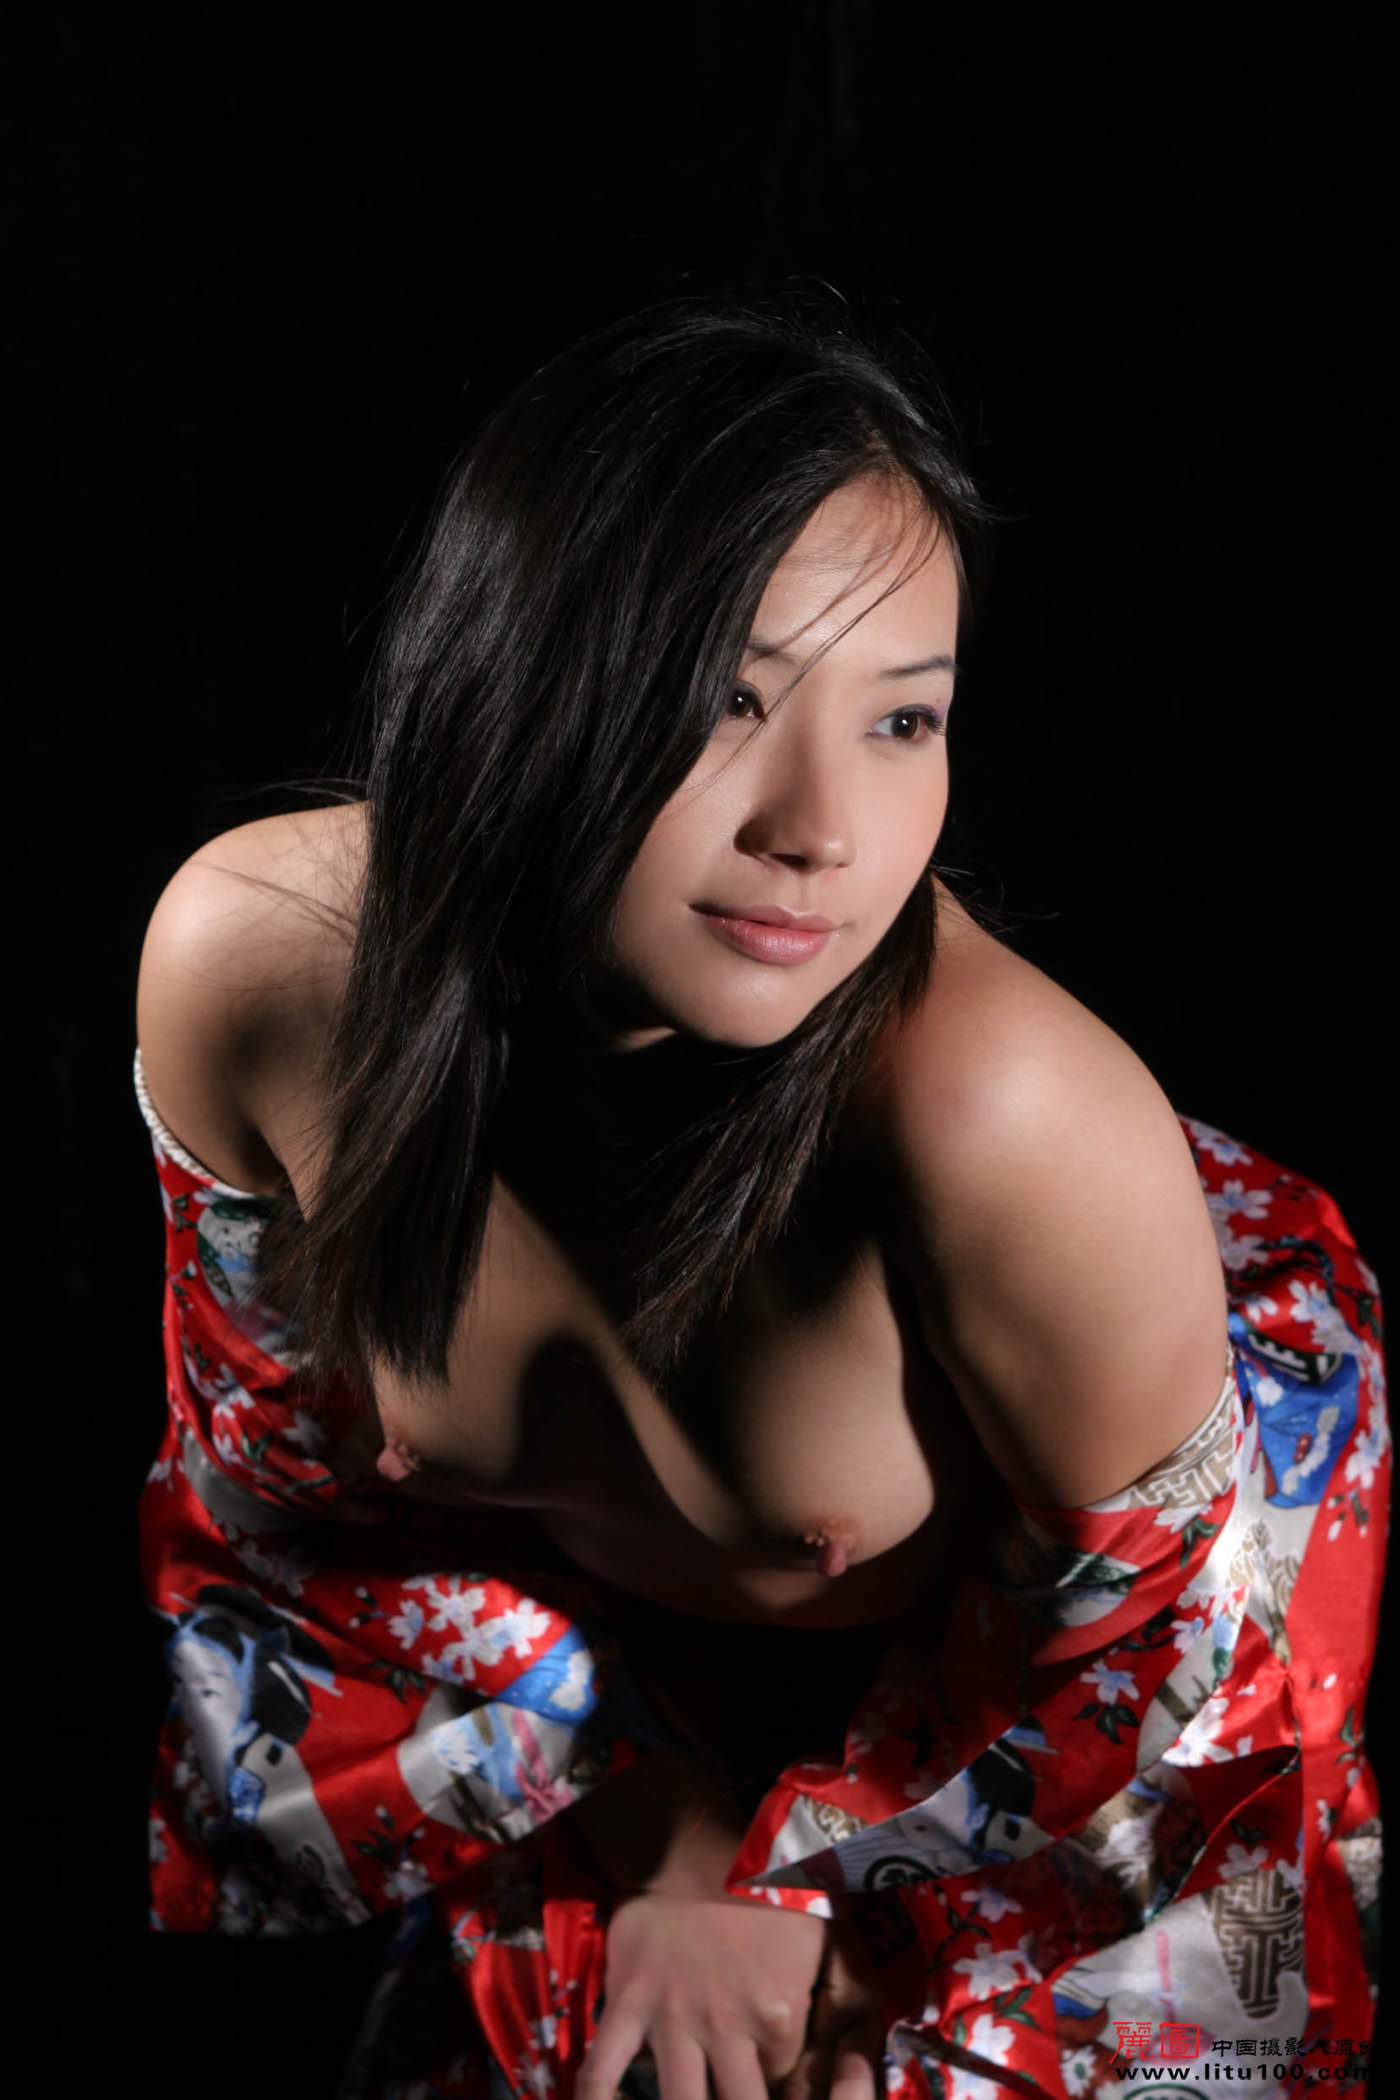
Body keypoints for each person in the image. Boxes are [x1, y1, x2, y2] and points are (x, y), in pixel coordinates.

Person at [133, 293, 1387, 2098]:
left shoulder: (1011, 1125)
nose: (820, 831)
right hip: (578, 1703)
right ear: (513, 674)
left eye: (904, 719)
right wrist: (659, 1835)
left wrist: (822, 1913)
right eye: (726, 698)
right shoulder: (257, 971)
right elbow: (273, 1513)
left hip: (1066, 1729)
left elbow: (1161, 1728)